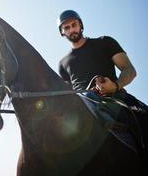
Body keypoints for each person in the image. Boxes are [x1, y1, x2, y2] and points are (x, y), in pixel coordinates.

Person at [57, 9, 148, 171]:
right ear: (62, 33)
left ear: (81, 25)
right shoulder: (63, 63)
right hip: (82, 106)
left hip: (115, 99)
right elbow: (67, 94)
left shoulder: (105, 42)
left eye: (74, 25)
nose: (71, 30)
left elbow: (129, 70)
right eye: (67, 28)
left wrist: (116, 85)